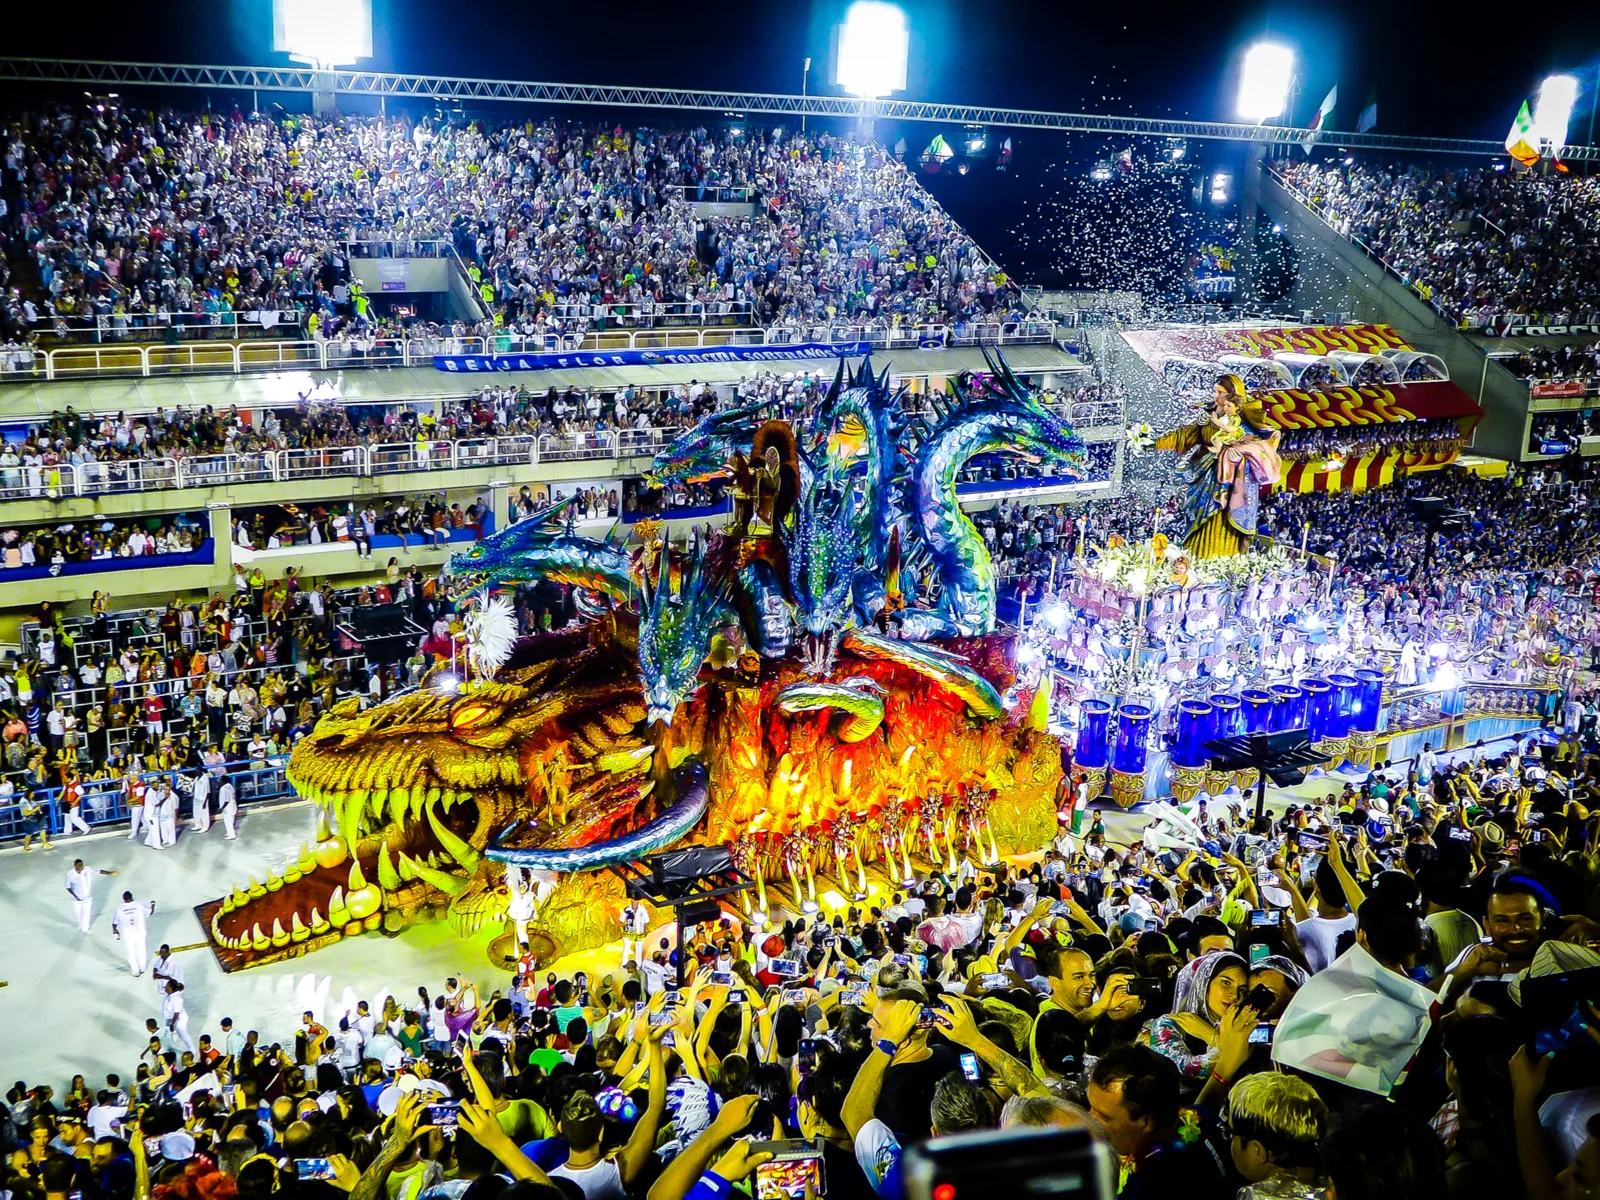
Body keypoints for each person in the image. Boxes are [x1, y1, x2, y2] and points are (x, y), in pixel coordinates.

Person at [1223, 1072, 1329, 1200]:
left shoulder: (1254, 1197)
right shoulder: (1337, 1184)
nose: (1229, 1140)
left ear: (1258, 1151)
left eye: (1230, 1133)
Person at [65, 858, 116, 934]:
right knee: (79, 914)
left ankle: (85, 929)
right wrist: (76, 897)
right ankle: (81, 925)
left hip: (88, 898)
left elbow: (98, 871)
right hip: (77, 900)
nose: (80, 869)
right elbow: (67, 887)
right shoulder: (70, 874)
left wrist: (109, 873)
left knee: (87, 914)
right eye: (78, 868)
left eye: (81, 867)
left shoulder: (87, 869)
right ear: (75, 867)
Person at [112, 890, 154, 977]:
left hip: (128, 934)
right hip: (139, 932)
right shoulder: (139, 905)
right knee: (141, 949)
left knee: (131, 952)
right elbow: (150, 912)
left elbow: (115, 923)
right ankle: (142, 968)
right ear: (132, 897)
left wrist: (115, 930)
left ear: (123, 899)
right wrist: (153, 905)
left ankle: (135, 971)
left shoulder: (119, 908)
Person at [217, 773, 238, 839]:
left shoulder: (224, 789)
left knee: (228, 821)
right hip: (232, 806)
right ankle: (230, 832)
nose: (218, 781)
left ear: (223, 781)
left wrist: (221, 808)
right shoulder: (230, 786)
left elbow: (226, 800)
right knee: (231, 820)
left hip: (227, 808)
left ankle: (232, 835)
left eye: (220, 780)